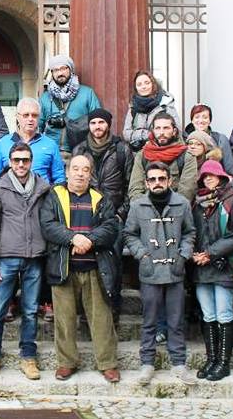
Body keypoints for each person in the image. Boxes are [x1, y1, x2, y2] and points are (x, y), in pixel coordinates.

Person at [39, 155, 121, 383]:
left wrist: (89, 241)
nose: (80, 173)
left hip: (95, 268)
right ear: (67, 172)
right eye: (75, 169)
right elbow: (48, 225)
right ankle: (66, 363)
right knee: (64, 320)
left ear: (90, 174)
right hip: (63, 267)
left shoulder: (100, 197)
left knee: (101, 318)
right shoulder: (54, 196)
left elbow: (111, 227)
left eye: (85, 169)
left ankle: (108, 363)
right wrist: (72, 238)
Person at [0, 143, 51, 381]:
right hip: (6, 258)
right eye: (17, 160)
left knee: (30, 311)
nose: (21, 164)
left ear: (31, 162)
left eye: (25, 160)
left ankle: (28, 356)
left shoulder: (43, 188)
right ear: (9, 161)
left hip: (34, 258)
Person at [123, 161, 198, 386]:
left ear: (170, 180)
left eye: (161, 179)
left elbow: (189, 232)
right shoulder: (138, 206)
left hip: (175, 270)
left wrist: (183, 255)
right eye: (152, 179)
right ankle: (147, 363)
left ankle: (179, 363)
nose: (157, 183)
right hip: (150, 271)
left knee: (175, 320)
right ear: (146, 182)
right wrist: (142, 254)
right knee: (149, 321)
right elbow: (129, 234)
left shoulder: (182, 204)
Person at [192, 160, 233, 381]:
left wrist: (211, 253)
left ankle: (223, 362)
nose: (208, 178)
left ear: (222, 177)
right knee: (208, 314)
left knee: (224, 313)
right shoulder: (197, 205)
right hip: (202, 269)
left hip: (226, 267)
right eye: (204, 176)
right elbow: (192, 232)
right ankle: (212, 359)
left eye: (212, 175)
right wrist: (194, 254)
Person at [72, 108, 134, 321]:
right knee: (85, 263)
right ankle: (85, 312)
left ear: (108, 124)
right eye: (93, 123)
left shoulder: (121, 149)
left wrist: (120, 215)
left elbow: (130, 185)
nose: (97, 126)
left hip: (113, 216)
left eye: (101, 122)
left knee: (112, 263)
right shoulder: (80, 149)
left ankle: (112, 310)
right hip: (86, 215)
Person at [0, 97, 65, 190]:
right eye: (26, 115)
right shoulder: (3, 143)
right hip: (9, 200)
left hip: (42, 199)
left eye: (34, 115)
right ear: (17, 117)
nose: (30, 119)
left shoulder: (50, 145)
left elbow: (59, 178)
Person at [38, 55, 101, 154]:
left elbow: (98, 121)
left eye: (63, 68)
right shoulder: (45, 98)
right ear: (52, 73)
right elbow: (37, 127)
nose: (60, 73)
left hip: (80, 151)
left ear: (71, 70)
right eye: (56, 70)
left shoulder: (87, 93)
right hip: (51, 152)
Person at [128, 112, 197, 202]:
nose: (161, 132)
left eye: (166, 128)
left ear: (174, 131)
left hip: (175, 210)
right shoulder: (142, 155)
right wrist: (145, 209)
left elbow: (187, 192)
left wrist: (169, 212)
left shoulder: (186, 156)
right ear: (153, 131)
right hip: (146, 210)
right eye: (158, 128)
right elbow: (135, 189)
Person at [122, 70, 180, 152]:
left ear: (153, 84)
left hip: (162, 151)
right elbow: (126, 133)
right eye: (139, 84)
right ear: (136, 88)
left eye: (147, 83)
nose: (143, 86)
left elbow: (177, 129)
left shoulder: (165, 105)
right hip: (137, 154)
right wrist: (147, 134)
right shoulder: (133, 108)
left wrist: (141, 135)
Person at [183, 104, 233, 174]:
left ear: (209, 120)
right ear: (192, 120)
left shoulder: (220, 139)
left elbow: (229, 169)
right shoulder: (184, 139)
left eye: (205, 117)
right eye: (197, 117)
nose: (201, 121)